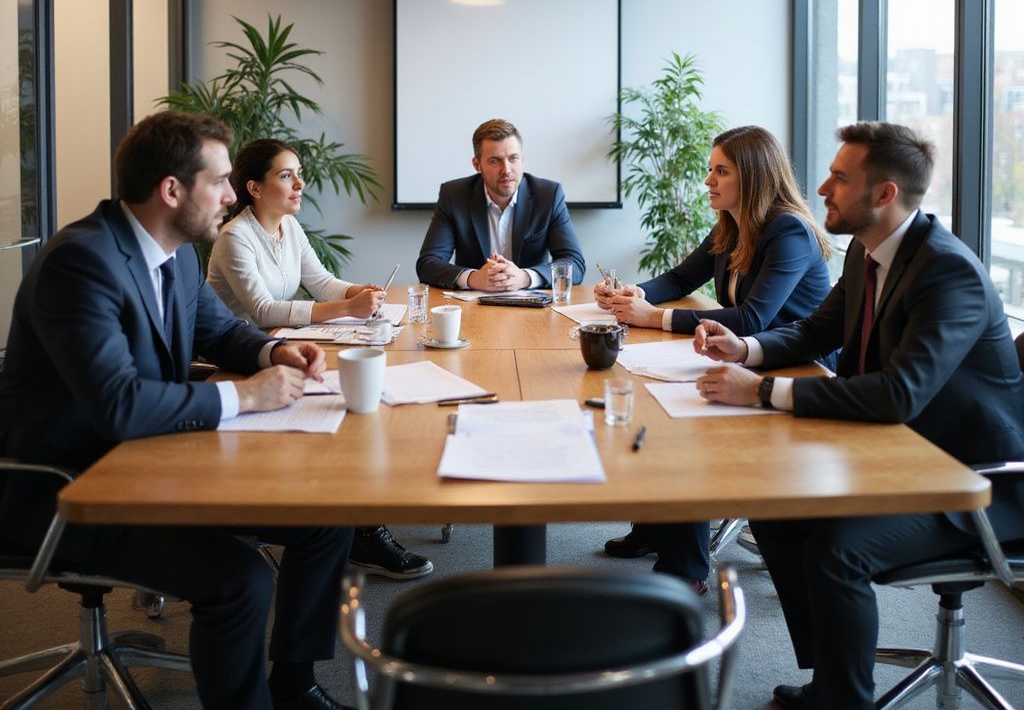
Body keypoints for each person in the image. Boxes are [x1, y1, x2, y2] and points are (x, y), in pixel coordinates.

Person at [0, 112, 353, 710]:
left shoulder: (178, 254)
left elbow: (221, 332)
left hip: (155, 462)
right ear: (171, 190)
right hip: (72, 487)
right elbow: (119, 405)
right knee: (240, 579)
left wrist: (275, 349)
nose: (228, 194)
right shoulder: (81, 263)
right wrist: (246, 395)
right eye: (218, 181)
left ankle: (294, 684)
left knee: (327, 517)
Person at [690, 122, 1024, 710]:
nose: (821, 187)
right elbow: (817, 331)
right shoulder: (865, 252)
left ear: (885, 194)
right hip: (899, 453)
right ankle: (835, 679)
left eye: (840, 179)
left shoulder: (947, 273)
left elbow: (899, 395)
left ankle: (845, 700)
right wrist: (747, 350)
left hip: (972, 481)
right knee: (777, 507)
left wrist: (763, 394)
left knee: (836, 549)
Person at [594, 125, 834, 592]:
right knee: (649, 402)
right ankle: (656, 529)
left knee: (684, 425)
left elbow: (754, 316)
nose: (708, 180)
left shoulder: (788, 230)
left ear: (755, 177)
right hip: (746, 357)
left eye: (721, 171)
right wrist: (635, 295)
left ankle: (685, 566)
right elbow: (680, 278)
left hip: (797, 367)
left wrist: (655, 319)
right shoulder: (731, 223)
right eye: (710, 169)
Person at [208, 138, 433, 581]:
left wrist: (357, 293)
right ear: (254, 187)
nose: (300, 184)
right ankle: (360, 530)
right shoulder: (235, 237)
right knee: (349, 413)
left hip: (280, 351)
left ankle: (359, 525)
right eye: (287, 175)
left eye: (299, 173)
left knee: (365, 400)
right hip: (238, 363)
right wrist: (348, 310)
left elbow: (322, 281)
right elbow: (263, 310)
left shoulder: (289, 228)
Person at [416, 118, 586, 291]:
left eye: (513, 159)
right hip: (473, 307)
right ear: (477, 165)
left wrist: (525, 277)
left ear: (522, 160)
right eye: (495, 161)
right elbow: (428, 264)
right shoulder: (454, 195)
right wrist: (473, 278)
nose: (506, 170)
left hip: (533, 308)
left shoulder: (548, 195)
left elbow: (574, 263)